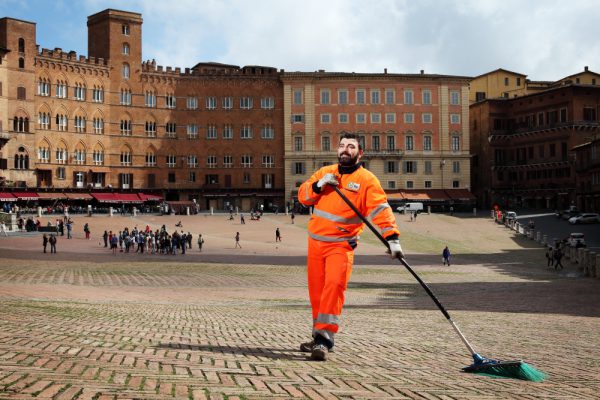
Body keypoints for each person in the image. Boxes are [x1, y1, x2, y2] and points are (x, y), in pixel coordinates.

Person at [297, 132, 402, 361]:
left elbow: (380, 210)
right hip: (315, 245)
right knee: (317, 294)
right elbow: (303, 197)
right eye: (342, 145)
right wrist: (318, 185)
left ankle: (324, 341)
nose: (345, 149)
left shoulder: (367, 180)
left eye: (351, 146)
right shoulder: (326, 172)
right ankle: (318, 337)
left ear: (359, 152)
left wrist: (392, 238)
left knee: (333, 289)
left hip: (341, 246)